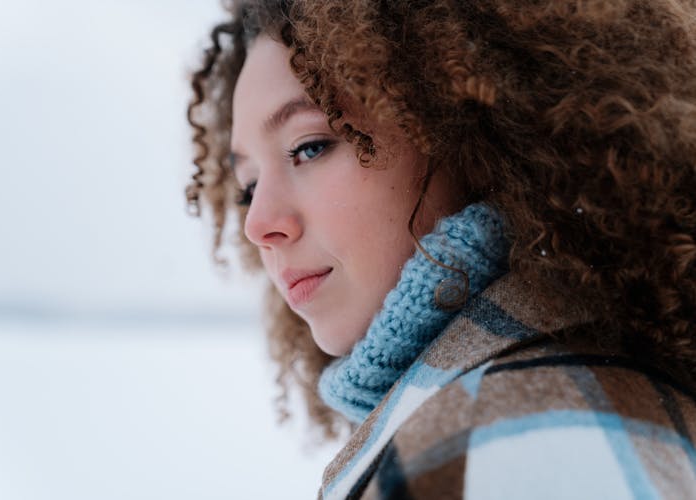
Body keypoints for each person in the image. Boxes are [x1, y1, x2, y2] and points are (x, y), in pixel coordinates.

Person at [187, 0, 696, 498]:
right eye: (249, 186)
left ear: (461, 127)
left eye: (310, 147)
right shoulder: (560, 390)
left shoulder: (509, 440)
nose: (258, 225)